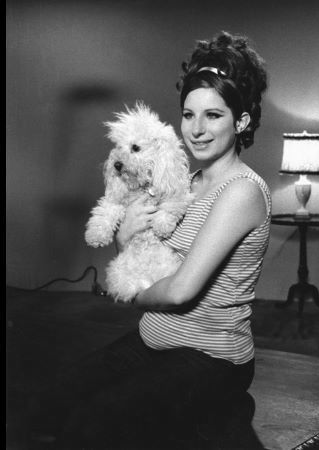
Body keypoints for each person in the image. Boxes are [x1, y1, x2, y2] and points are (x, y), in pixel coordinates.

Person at [28, 30, 270, 449]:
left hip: (209, 358)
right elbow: (141, 250)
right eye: (189, 114)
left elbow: (179, 292)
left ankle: (221, 407)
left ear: (242, 120)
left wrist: (119, 292)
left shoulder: (242, 192)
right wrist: (124, 237)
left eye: (213, 115)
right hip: (152, 337)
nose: (196, 129)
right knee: (47, 406)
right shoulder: (185, 182)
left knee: (91, 426)